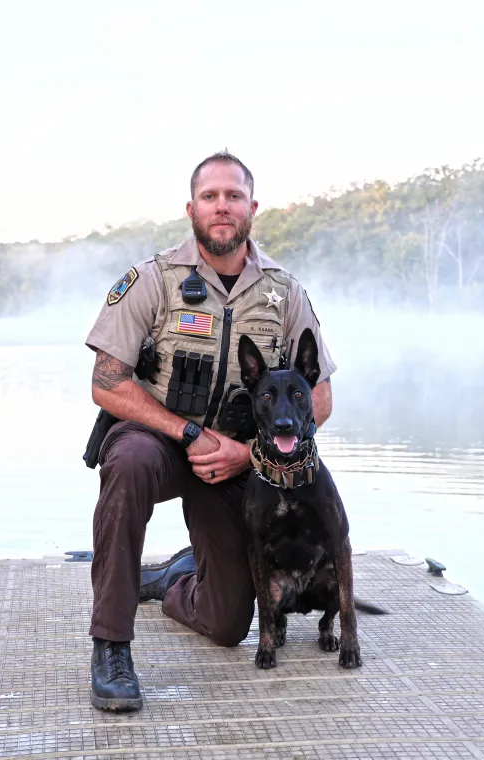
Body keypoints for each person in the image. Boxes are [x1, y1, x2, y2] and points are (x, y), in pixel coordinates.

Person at [83, 151, 337, 711]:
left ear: (252, 207)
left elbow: (319, 396)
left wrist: (249, 454)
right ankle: (111, 645)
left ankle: (178, 579)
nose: (222, 206)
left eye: (234, 196)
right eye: (210, 196)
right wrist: (190, 434)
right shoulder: (153, 280)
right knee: (123, 464)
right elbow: (107, 384)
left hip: (240, 458)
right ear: (191, 207)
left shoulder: (283, 292)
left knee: (226, 625)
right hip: (160, 439)